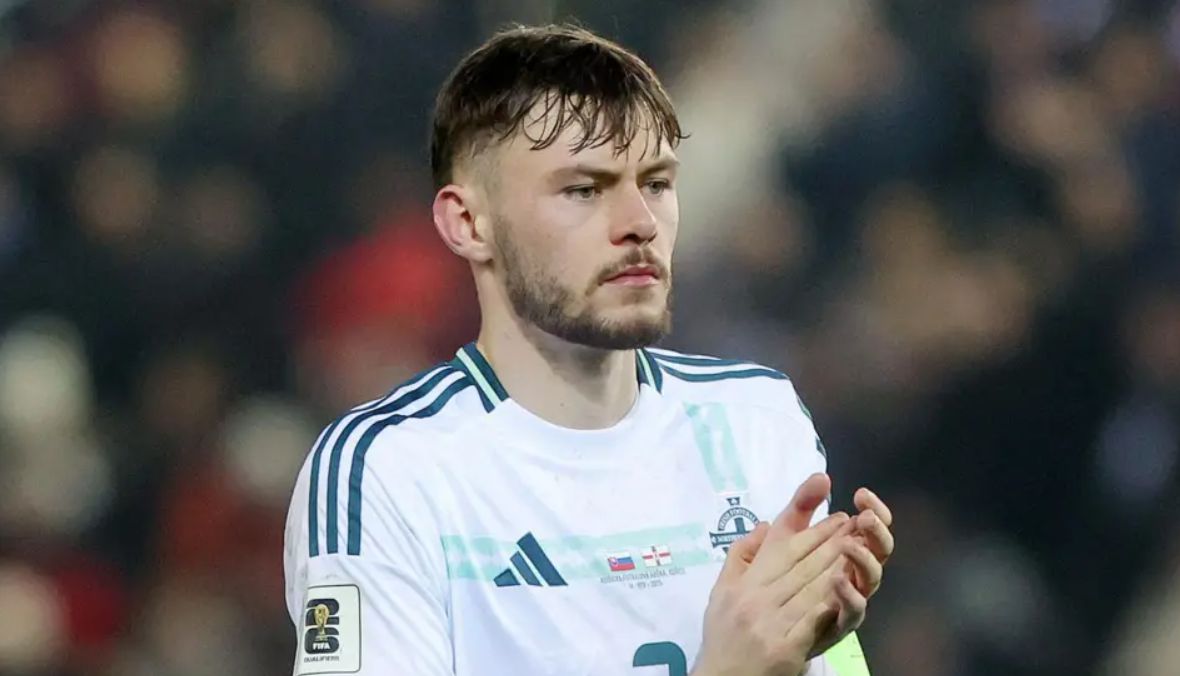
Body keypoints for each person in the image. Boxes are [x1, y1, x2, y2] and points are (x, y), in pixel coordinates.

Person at [283, 23, 894, 676]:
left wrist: (821, 649)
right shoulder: (387, 472)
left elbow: (840, 668)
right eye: (583, 189)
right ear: (467, 223)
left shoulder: (758, 421)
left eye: (656, 183)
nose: (640, 223)